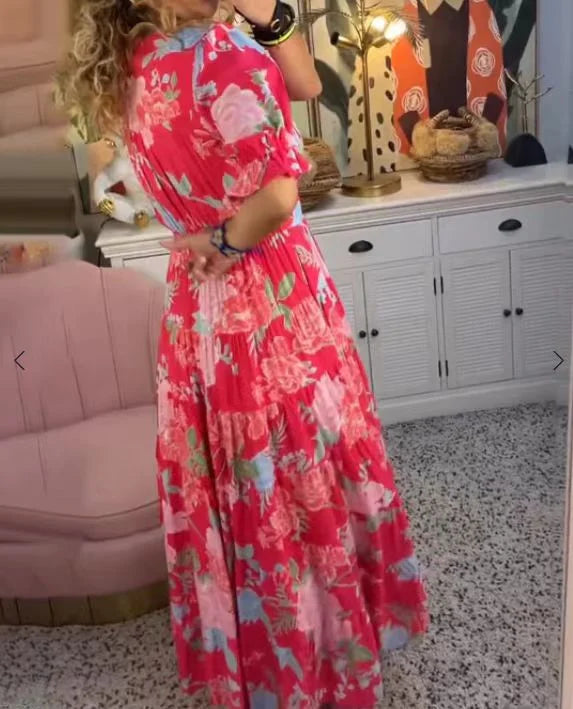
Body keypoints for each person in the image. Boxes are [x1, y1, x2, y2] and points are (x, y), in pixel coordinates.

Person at [58, 1, 428, 706]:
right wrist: (229, 239)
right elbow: (280, 196)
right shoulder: (225, 58)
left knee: (234, 476)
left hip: (196, 306)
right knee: (301, 461)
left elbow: (301, 84)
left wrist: (267, 15)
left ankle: (260, 659)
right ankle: (322, 652)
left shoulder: (136, 62)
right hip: (269, 293)